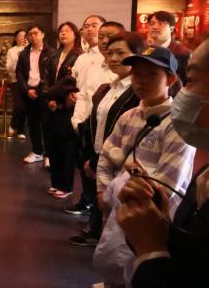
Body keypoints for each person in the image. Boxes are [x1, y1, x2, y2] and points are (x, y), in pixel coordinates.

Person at [93, 45, 196, 286]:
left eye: (152, 74)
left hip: (151, 218)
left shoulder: (177, 125)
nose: (142, 81)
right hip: (117, 206)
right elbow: (106, 157)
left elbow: (166, 185)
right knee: (112, 261)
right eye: (137, 74)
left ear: (170, 79)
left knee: (139, 269)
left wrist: (122, 191)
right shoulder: (129, 116)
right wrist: (103, 190)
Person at [116, 39, 209, 288]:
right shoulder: (204, 176)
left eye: (191, 80)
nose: (185, 92)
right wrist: (160, 223)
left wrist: (151, 251)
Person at [68, 32, 144, 247]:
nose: (113, 58)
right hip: (100, 155)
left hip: (121, 162)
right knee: (101, 202)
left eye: (121, 53)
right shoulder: (109, 87)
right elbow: (98, 123)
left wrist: (100, 160)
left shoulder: (136, 91)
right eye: (110, 53)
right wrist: (92, 156)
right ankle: (96, 233)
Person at [65, 18, 123, 215]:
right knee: (87, 167)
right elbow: (83, 94)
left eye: (110, 36)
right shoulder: (93, 65)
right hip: (87, 125)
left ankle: (99, 213)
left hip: (111, 131)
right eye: (103, 36)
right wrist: (77, 122)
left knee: (105, 174)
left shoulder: (123, 71)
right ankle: (89, 203)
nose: (105, 41)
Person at [45, 22, 83, 197]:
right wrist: (49, 99)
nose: (63, 33)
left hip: (67, 106)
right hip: (51, 104)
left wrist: (58, 99)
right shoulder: (54, 55)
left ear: (75, 34)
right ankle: (56, 182)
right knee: (53, 145)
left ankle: (66, 185)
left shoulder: (79, 55)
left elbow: (74, 83)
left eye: (67, 31)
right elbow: (47, 80)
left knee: (66, 146)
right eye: (61, 31)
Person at [16, 25, 54, 165]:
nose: (32, 36)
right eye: (30, 34)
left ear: (42, 34)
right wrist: (27, 90)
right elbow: (19, 73)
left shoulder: (51, 52)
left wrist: (42, 89)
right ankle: (37, 151)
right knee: (33, 123)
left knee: (47, 124)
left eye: (36, 33)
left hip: (44, 92)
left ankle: (49, 155)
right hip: (29, 91)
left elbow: (52, 74)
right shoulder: (24, 53)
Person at [147, 11, 191, 84]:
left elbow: (188, 84)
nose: (155, 27)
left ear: (171, 28)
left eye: (161, 23)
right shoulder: (147, 50)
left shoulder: (183, 54)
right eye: (152, 23)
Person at [5, 29, 28, 139]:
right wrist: (19, 58)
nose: (23, 38)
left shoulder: (29, 49)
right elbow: (8, 67)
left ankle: (20, 130)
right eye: (20, 36)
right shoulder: (11, 51)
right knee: (19, 105)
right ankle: (14, 125)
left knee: (24, 105)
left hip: (28, 81)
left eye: (25, 36)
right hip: (16, 81)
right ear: (15, 38)